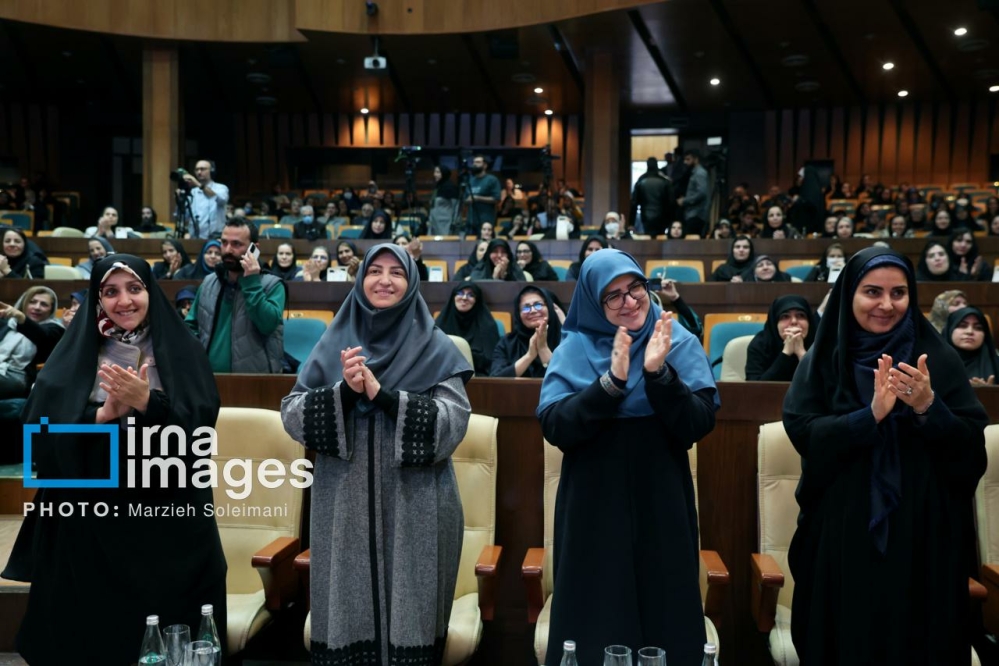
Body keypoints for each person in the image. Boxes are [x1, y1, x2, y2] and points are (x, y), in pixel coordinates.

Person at [1, 254, 227, 665]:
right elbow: (39, 438)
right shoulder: (75, 352)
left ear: (150, 292)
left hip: (164, 519)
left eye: (134, 288)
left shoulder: (183, 351)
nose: (124, 301)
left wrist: (149, 403)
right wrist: (101, 416)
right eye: (110, 291)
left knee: (166, 626)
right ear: (97, 298)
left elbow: (199, 433)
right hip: (89, 519)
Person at [782, 247, 987, 665]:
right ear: (849, 295)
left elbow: (970, 449)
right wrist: (869, 416)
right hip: (843, 534)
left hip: (923, 536)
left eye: (899, 293)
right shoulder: (825, 359)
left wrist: (928, 407)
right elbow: (804, 432)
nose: (887, 305)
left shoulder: (938, 359)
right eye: (872, 291)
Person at [280, 244, 472, 664]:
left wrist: (385, 397)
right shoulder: (334, 343)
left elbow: (452, 424)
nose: (384, 281)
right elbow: (292, 414)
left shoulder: (437, 347)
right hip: (343, 506)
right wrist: (345, 393)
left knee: (412, 621)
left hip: (417, 505)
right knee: (347, 622)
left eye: (396, 273)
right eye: (375, 271)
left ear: (412, 282)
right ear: (360, 278)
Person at [536, 248, 719, 666]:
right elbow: (556, 427)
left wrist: (659, 374)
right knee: (595, 618)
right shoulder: (575, 347)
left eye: (635, 287)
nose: (630, 301)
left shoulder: (676, 340)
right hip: (592, 510)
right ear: (592, 303)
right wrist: (610, 384)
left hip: (662, 505)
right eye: (613, 295)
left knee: (666, 615)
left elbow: (697, 424)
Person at [185, 220, 285, 372]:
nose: (228, 250)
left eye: (236, 244)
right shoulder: (209, 282)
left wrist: (251, 281)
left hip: (255, 379)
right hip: (208, 377)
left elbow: (267, 325)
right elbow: (190, 326)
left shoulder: (272, 285)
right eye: (224, 242)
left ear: (254, 249)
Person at [490, 285, 563, 378]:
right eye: (526, 307)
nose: (533, 311)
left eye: (538, 305)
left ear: (549, 307)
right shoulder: (507, 343)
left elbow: (569, 377)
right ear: (518, 314)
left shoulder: (566, 340)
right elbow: (495, 379)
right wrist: (529, 356)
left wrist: (543, 348)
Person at [745, 295, 816, 381]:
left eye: (800, 315)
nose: (794, 321)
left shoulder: (820, 343)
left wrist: (801, 353)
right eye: (785, 316)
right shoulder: (760, 345)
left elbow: (825, 385)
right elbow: (755, 386)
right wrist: (786, 353)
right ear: (775, 322)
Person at [435, 282, 500, 375]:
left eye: (471, 295)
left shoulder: (488, 326)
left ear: (477, 300)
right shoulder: (441, 322)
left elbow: (492, 360)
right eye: (460, 293)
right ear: (453, 297)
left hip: (478, 377)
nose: (464, 298)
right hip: (444, 375)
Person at [945, 307, 999, 386]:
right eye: (963, 326)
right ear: (950, 329)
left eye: (978, 328)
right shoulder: (932, 362)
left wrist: (990, 391)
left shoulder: (995, 364)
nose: (970, 332)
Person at [180, 159, 229, 239]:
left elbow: (221, 200)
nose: (199, 172)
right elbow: (184, 216)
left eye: (202, 169)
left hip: (216, 237)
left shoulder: (221, 188)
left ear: (211, 171)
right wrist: (180, 200)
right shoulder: (192, 192)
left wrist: (198, 184)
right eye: (197, 170)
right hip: (195, 237)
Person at [629, 157, 675, 238]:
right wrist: (671, 220)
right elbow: (671, 203)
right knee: (661, 237)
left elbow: (634, 203)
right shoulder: (664, 181)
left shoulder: (641, 180)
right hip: (662, 216)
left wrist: (631, 223)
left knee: (647, 237)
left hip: (646, 215)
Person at [464, 154, 501, 233]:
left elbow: (496, 199)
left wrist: (477, 198)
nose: (474, 164)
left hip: (486, 221)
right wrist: (467, 200)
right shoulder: (470, 180)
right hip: (471, 220)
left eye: (478, 162)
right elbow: (465, 199)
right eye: (474, 162)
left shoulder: (492, 180)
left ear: (485, 166)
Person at [679, 149, 711, 237]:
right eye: (685, 159)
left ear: (696, 159)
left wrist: (684, 200)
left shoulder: (700, 173)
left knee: (692, 239)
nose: (685, 162)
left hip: (697, 214)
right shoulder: (694, 172)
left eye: (688, 159)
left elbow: (702, 193)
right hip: (693, 213)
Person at [429, 165, 459, 235]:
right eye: (434, 172)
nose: (435, 174)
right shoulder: (437, 187)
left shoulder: (450, 187)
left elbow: (456, 206)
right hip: (434, 222)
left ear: (444, 173)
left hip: (446, 223)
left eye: (438, 172)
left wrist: (454, 222)